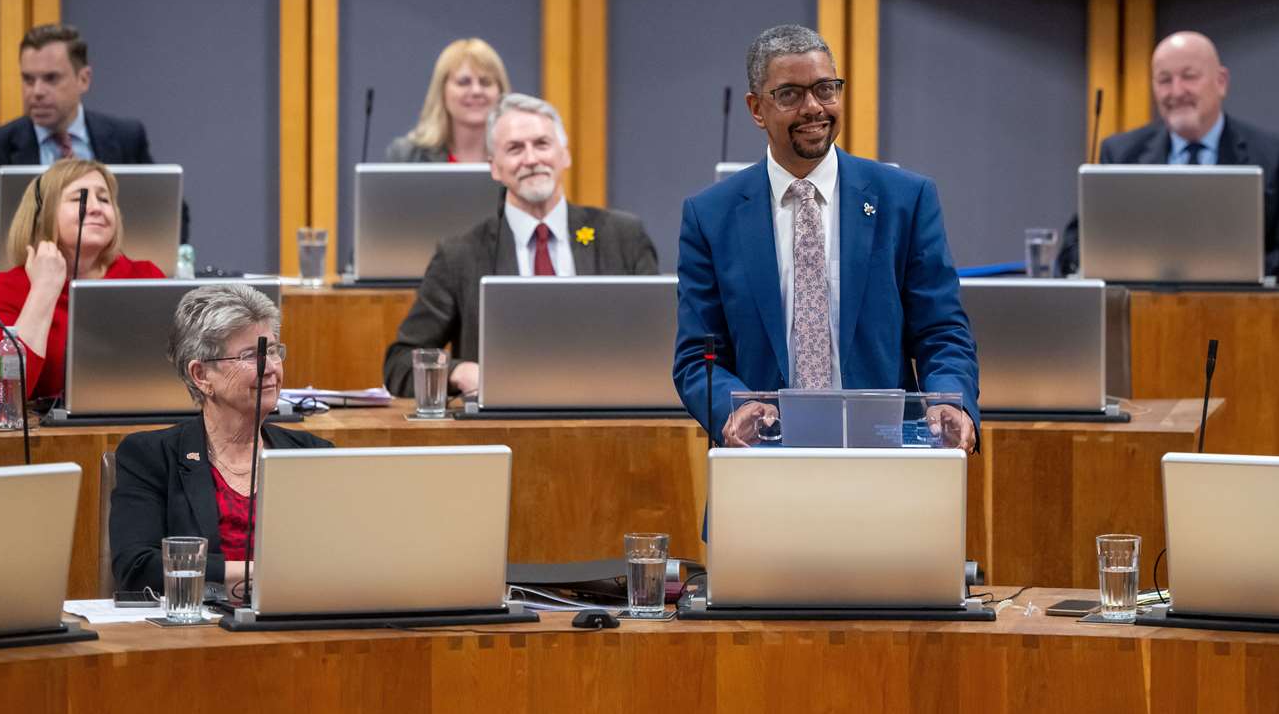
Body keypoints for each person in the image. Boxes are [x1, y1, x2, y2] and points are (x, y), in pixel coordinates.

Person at [672, 24, 980, 450]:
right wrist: (732, 407)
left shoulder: (905, 200)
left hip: (885, 464)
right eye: (790, 94)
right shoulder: (710, 215)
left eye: (825, 89)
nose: (813, 108)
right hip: (761, 467)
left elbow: (941, 330)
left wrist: (951, 400)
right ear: (757, 108)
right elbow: (695, 357)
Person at [382, 93, 659, 397]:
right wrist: (458, 371)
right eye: (515, 148)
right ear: (494, 167)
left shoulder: (622, 237)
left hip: (610, 423)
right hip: (504, 431)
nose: (531, 159)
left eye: (542, 144)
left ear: (565, 154)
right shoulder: (460, 255)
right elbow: (400, 363)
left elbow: (659, 344)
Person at [110, 283, 331, 595]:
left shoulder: (314, 454)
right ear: (201, 375)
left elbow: (343, 558)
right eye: (250, 355)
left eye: (272, 351)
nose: (269, 368)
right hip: (197, 629)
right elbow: (137, 566)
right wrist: (259, 574)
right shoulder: (150, 456)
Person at [1058, 30, 1279, 280]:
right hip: (1144, 320)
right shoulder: (1121, 154)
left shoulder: (1274, 156)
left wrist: (1228, 272)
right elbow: (1072, 251)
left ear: (1221, 82)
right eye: (1164, 80)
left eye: (1189, 76)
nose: (1176, 91)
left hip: (1246, 319)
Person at [0, 23, 182, 278]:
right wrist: (11, 277)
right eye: (28, 79)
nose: (36, 92)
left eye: (51, 78)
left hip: (112, 284)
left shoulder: (126, 137)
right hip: (26, 287)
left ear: (84, 79)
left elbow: (168, 218)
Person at [0, 159, 164, 414]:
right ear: (43, 214)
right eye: (80, 199)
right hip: (46, 439)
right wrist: (43, 290)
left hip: (142, 427)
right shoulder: (9, 287)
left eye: (105, 199)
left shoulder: (145, 276)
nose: (97, 208)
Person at [385, 38, 512, 164]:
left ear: (501, 91)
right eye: (463, 82)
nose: (476, 91)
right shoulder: (407, 156)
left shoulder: (524, 155)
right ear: (442, 91)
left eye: (485, 82)